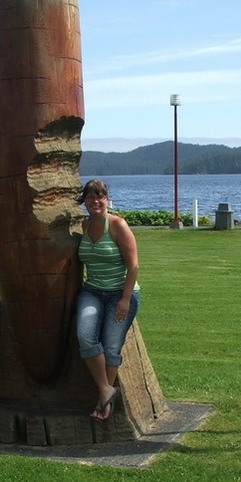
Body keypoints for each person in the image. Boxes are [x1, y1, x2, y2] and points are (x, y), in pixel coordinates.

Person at [75, 179, 140, 421]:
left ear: (107, 199)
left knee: (111, 346)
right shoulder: (83, 225)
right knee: (85, 336)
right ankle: (106, 390)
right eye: (90, 197)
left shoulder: (117, 225)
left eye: (100, 196)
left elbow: (133, 266)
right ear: (84, 201)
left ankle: (103, 402)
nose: (95, 201)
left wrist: (125, 299)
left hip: (120, 293)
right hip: (92, 291)